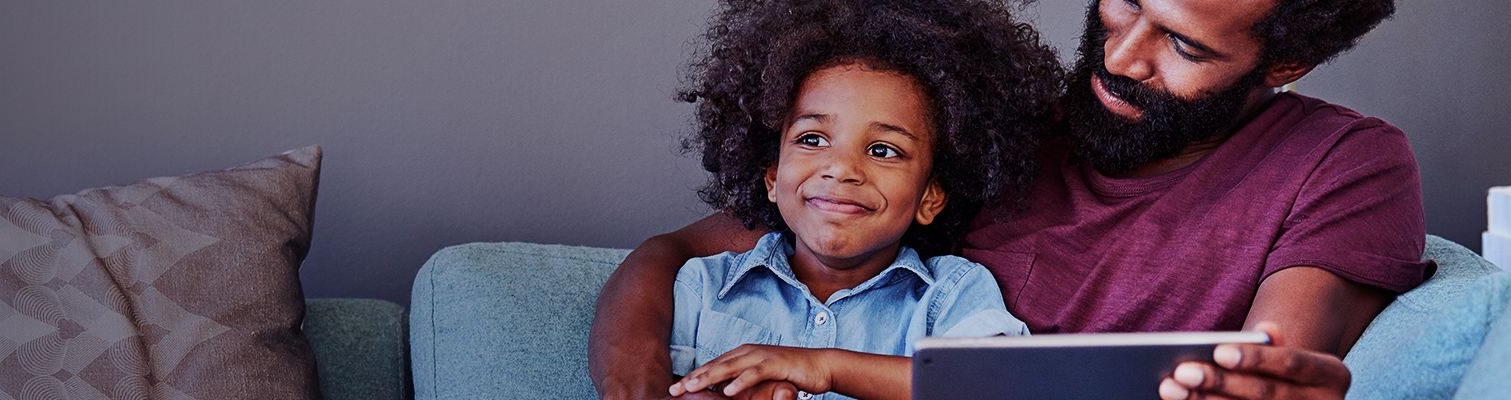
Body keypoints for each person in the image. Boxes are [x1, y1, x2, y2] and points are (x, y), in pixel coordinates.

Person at [591, 0, 1431, 398]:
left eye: (1180, 43)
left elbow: (1266, 367)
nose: (1122, 55)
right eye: (1127, 2)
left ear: (1282, 66)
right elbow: (675, 255)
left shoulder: (1342, 165)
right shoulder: (988, 132)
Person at [658, 0, 1062, 398]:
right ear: (774, 177)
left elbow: (996, 385)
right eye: (812, 139)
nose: (842, 168)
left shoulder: (951, 295)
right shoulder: (702, 288)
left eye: (883, 150)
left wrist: (826, 367)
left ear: (930, 197)